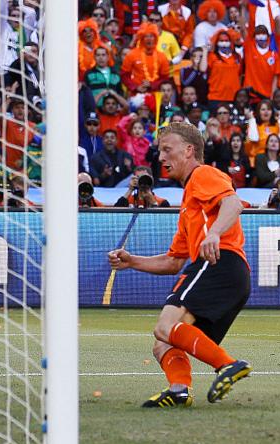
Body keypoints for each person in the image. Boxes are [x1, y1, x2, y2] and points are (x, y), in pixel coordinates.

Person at [108, 122, 252, 408]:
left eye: (166, 149)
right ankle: (178, 391)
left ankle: (229, 365)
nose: (161, 157)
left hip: (218, 262)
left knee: (165, 326)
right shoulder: (189, 202)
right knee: (164, 343)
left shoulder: (203, 174)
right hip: (229, 274)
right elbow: (173, 261)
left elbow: (233, 204)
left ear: (189, 151)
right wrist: (133, 260)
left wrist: (213, 234)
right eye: (159, 151)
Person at [120, 23, 171, 95]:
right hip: (136, 94)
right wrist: (135, 87)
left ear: (156, 38)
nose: (149, 39)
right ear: (141, 38)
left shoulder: (162, 56)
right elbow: (124, 75)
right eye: (146, 36)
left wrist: (152, 85)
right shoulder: (131, 55)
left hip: (156, 94)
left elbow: (165, 78)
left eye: (151, 36)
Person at [201, 30, 242, 110]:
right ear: (217, 42)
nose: (224, 43)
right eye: (221, 41)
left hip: (233, 97)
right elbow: (202, 69)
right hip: (215, 97)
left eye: (226, 41)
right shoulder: (212, 56)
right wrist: (205, 52)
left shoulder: (237, 57)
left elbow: (239, 76)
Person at [246, 100, 280, 164]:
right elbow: (254, 138)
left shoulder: (277, 124)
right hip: (259, 159)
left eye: (269, 109)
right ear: (258, 112)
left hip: (276, 159)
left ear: (272, 112)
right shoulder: (254, 125)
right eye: (263, 109)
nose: (266, 112)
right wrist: (252, 119)